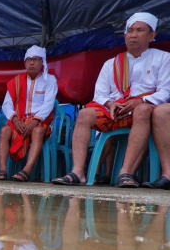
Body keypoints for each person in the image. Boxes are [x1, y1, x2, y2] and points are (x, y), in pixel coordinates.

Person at [53, 13, 170, 187]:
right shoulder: (112, 63)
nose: (133, 34)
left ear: (152, 36)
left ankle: (126, 173)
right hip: (115, 111)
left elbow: (165, 91)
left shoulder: (163, 58)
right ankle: (78, 172)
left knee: (143, 110)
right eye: (130, 30)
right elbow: (99, 94)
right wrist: (110, 103)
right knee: (85, 114)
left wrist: (142, 101)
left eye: (139, 30)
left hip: (145, 112)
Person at [0, 46, 58, 182]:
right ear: (24, 63)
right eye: (29, 59)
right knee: (5, 130)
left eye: (36, 59)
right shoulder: (15, 82)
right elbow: (7, 104)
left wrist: (35, 121)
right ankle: (2, 170)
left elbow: (49, 104)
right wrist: (15, 120)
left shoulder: (50, 80)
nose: (31, 63)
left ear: (43, 63)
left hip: (40, 122)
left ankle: (26, 170)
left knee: (37, 132)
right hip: (19, 121)